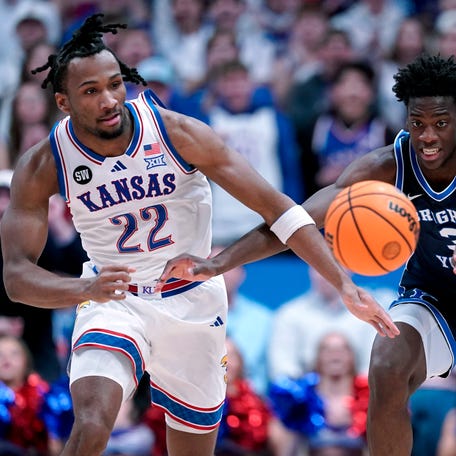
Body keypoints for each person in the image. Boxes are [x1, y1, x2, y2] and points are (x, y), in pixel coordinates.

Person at [0, 13, 396, 456]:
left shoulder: (176, 132)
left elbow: (278, 209)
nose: (110, 99)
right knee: (92, 421)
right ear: (64, 102)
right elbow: (16, 278)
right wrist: (83, 288)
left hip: (190, 298)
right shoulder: (43, 164)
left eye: (115, 83)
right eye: (91, 91)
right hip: (114, 298)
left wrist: (342, 283)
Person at [156, 53, 456, 456]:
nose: (428, 136)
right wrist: (218, 263)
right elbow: (292, 221)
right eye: (417, 124)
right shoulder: (387, 166)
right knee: (386, 365)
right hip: (431, 296)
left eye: (441, 123)